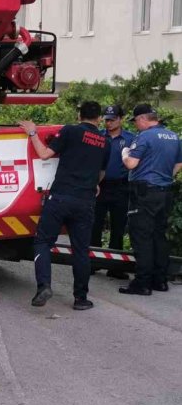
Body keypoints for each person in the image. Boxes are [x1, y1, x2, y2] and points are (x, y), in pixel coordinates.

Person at [18, 101, 109, 310]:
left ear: (79, 115)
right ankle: (80, 298)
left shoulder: (70, 132)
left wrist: (33, 133)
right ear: (99, 118)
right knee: (81, 250)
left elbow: (44, 154)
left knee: (42, 241)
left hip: (60, 197)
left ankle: (43, 287)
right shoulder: (106, 142)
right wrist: (94, 184)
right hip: (85, 201)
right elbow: (101, 173)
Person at [119, 104, 182, 295]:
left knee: (142, 237)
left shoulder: (145, 136)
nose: (136, 125)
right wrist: (164, 177)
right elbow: (178, 163)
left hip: (144, 192)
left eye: (136, 121)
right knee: (158, 235)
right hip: (165, 191)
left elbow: (131, 163)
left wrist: (124, 154)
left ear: (143, 119)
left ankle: (142, 283)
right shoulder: (173, 136)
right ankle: (159, 280)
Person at [91, 105, 135, 281]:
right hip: (100, 186)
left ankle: (115, 267)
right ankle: (93, 262)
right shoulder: (98, 136)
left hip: (121, 187)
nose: (109, 123)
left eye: (112, 119)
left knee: (118, 227)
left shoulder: (131, 139)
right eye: (106, 119)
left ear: (121, 119)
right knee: (95, 224)